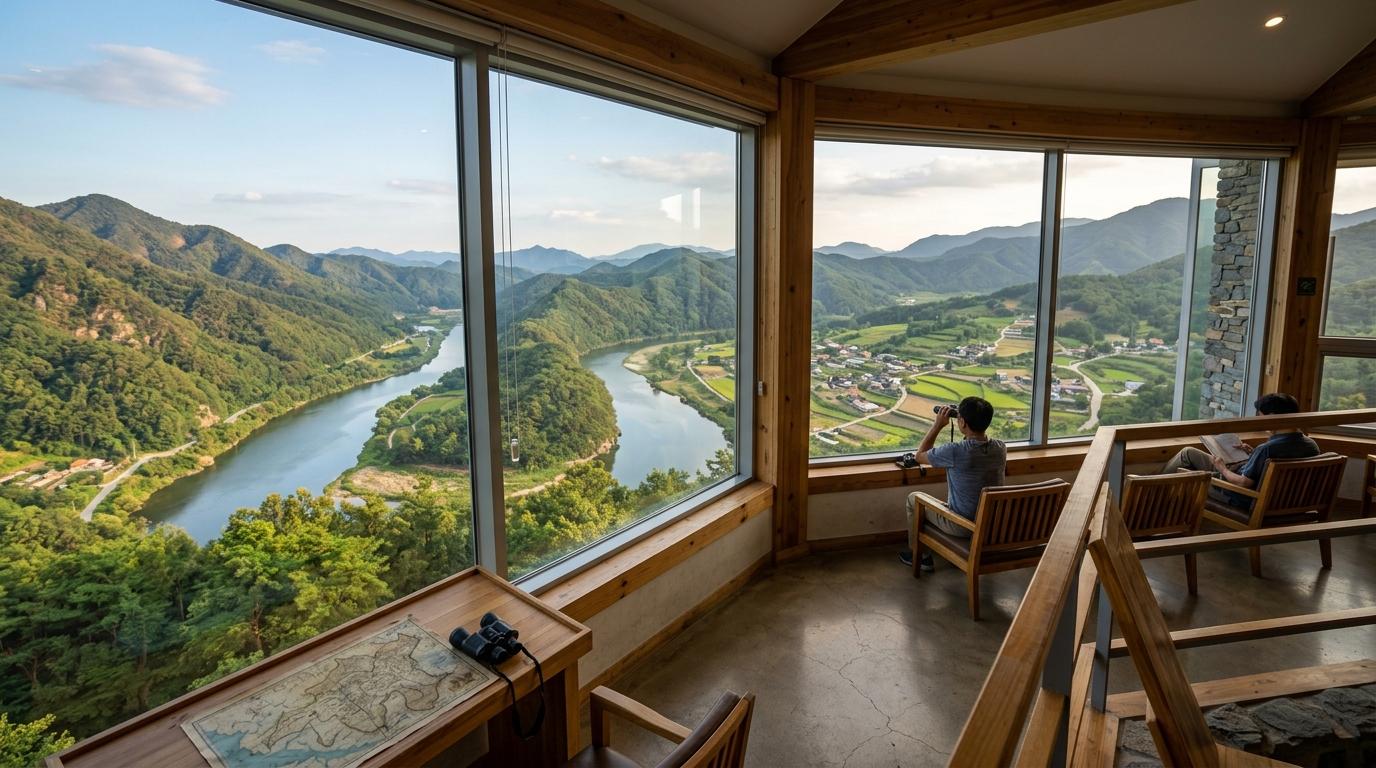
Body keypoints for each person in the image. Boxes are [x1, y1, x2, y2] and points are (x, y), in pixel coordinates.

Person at [901, 396, 1006, 571]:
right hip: (992, 524)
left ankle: (918, 556)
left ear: (962, 422)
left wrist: (938, 425)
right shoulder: (1000, 448)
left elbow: (920, 456)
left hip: (963, 526)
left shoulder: (955, 451)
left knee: (914, 499)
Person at [1160, 392, 1319, 506]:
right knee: (1189, 452)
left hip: (1240, 495)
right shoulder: (1311, 445)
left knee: (1186, 469)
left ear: (1273, 416)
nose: (1259, 419)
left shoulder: (1267, 450)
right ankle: (1152, 490)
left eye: (1261, 415)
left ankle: (1148, 496)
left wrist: (1222, 468)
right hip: (1285, 501)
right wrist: (1252, 454)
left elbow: (1243, 483)